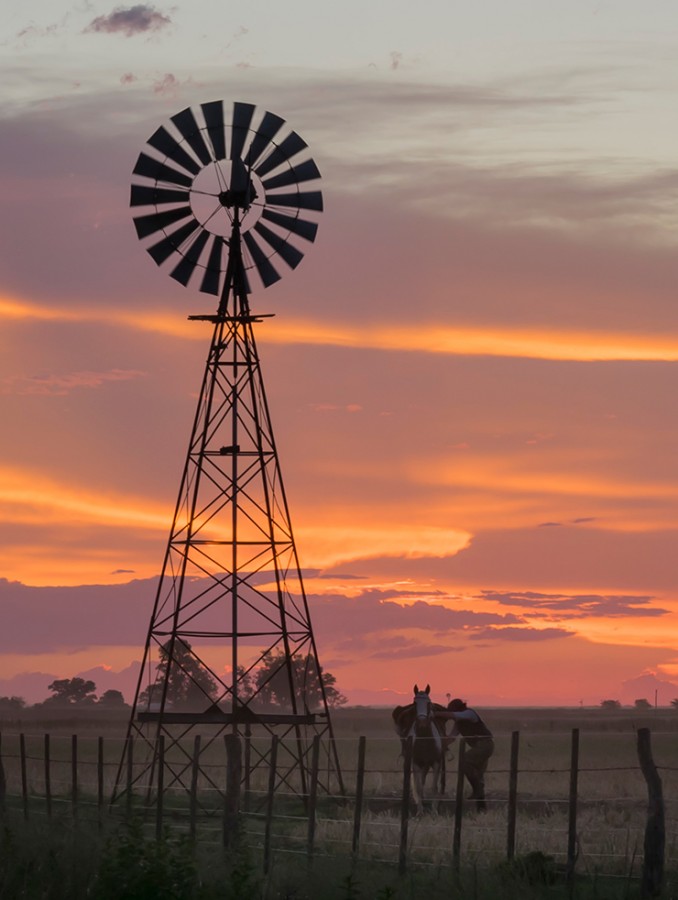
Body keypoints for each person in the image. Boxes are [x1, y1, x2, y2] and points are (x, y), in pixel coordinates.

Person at [444, 698, 494, 811]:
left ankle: (477, 791)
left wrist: (435, 713)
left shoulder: (469, 714)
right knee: (478, 776)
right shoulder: (459, 723)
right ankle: (482, 809)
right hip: (479, 747)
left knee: (464, 761)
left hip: (485, 744)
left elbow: (452, 715)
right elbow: (451, 738)